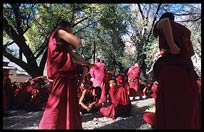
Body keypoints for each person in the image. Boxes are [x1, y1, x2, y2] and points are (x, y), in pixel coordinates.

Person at [38, 20, 91, 129]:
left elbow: (73, 57)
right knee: (56, 105)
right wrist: (74, 38)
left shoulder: (63, 44)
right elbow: (77, 42)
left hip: (68, 78)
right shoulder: (59, 32)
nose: (72, 32)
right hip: (61, 78)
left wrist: (87, 64)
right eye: (71, 30)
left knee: (69, 106)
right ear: (66, 27)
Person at [152, 12, 200, 129]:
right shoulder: (185, 30)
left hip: (171, 70)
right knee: (187, 103)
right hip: (186, 68)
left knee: (170, 103)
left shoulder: (163, 23)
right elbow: (191, 53)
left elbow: (165, 22)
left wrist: (172, 45)